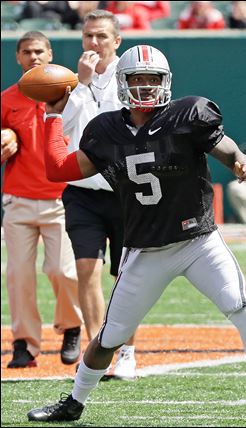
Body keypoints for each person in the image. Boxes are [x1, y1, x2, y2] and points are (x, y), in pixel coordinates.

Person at [27, 45, 246, 425]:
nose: (147, 87)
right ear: (124, 83)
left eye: (153, 79)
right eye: (138, 79)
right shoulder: (105, 130)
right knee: (110, 336)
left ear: (166, 83)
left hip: (199, 242)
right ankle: (74, 402)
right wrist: (53, 116)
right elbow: (57, 170)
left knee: (243, 311)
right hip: (145, 249)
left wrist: (238, 160)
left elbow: (222, 145)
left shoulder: (188, 114)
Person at [61, 9, 137, 380]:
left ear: (117, 41)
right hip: (82, 191)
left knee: (128, 275)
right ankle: (97, 350)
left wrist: (87, 85)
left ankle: (127, 351)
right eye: (89, 35)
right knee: (85, 270)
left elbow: (109, 128)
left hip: (124, 190)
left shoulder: (131, 76)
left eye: (102, 36)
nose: (94, 43)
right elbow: (67, 126)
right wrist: (81, 84)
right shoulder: (70, 79)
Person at [1, 31, 83, 369]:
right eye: (26, 52)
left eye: (39, 50)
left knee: (62, 271)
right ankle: (24, 342)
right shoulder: (7, 100)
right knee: (19, 273)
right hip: (18, 198)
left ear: (50, 54)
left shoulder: (72, 94)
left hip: (62, 198)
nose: (33, 56)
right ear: (17, 58)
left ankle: (72, 326)